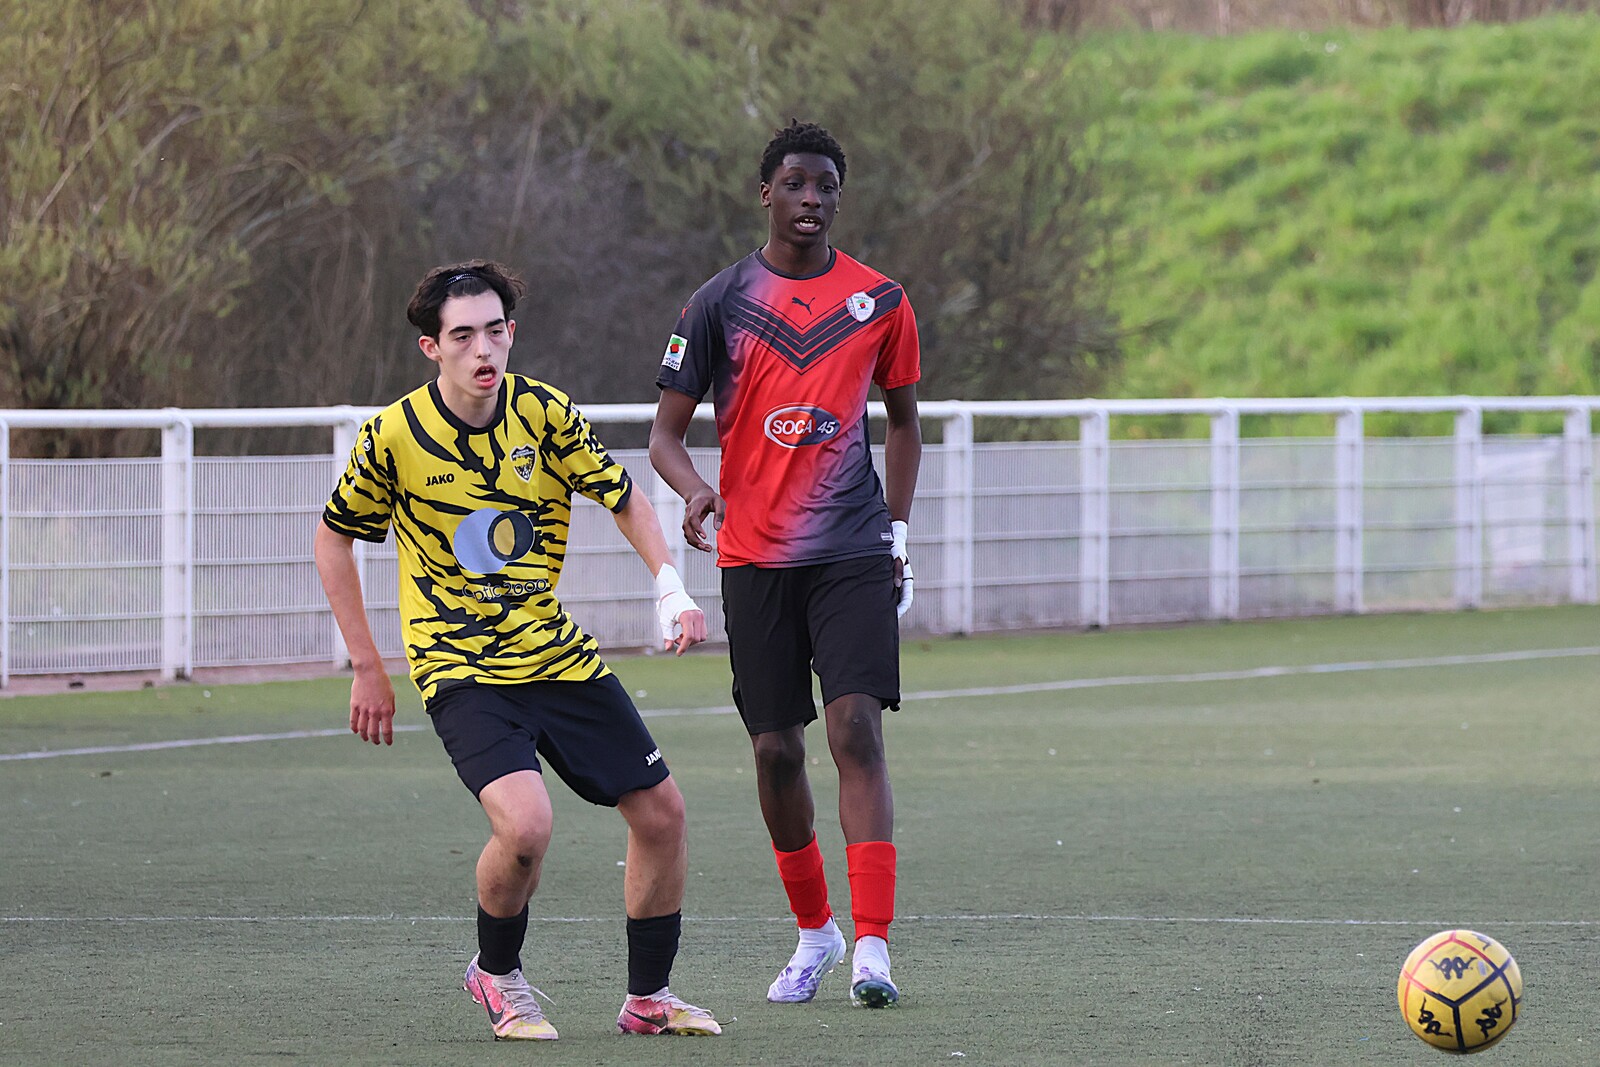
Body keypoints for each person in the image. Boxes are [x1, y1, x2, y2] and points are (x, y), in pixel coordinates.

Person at [314, 260, 722, 1041]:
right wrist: (367, 663)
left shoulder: (543, 412)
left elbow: (624, 495)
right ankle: (496, 974)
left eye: (495, 331)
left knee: (662, 813)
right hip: (460, 665)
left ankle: (648, 998)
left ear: (512, 333)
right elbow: (333, 537)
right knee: (527, 826)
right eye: (463, 335)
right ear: (431, 347)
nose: (483, 349)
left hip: (554, 653)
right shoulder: (394, 435)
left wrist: (670, 584)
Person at [649, 121, 922, 1009]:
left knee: (856, 730)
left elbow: (905, 423)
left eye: (826, 185)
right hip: (754, 556)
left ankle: (873, 946)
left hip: (852, 549)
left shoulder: (880, 300)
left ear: (840, 196)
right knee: (774, 751)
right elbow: (664, 435)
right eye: (796, 183)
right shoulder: (718, 301)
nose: (811, 199)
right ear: (765, 192)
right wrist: (697, 489)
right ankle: (815, 932)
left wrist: (899, 532)